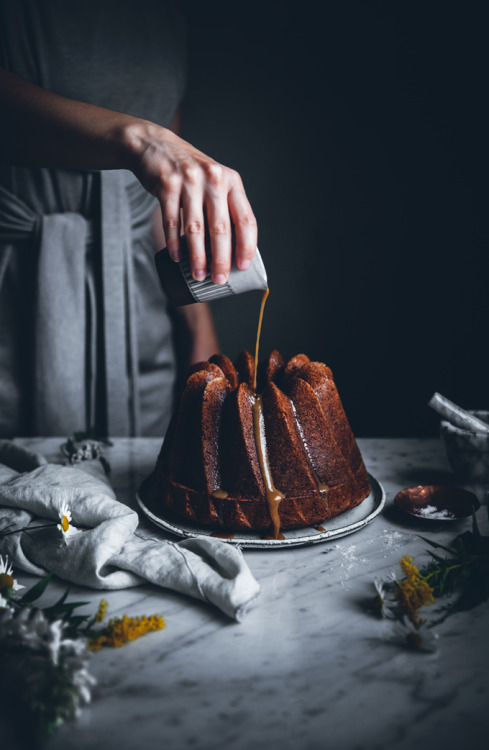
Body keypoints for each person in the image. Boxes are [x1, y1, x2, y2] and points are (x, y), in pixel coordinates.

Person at [0, 0, 257, 439]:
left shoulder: (168, 14)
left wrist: (199, 330)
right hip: (14, 293)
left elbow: (163, 197)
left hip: (137, 311)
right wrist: (139, 139)